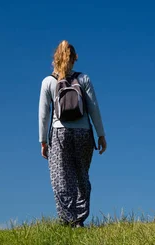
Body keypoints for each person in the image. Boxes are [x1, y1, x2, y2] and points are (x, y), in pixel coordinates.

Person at [38, 40, 107, 228]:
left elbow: (44, 115)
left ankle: (67, 219)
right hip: (83, 133)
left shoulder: (48, 82)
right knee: (81, 175)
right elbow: (94, 109)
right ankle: (79, 219)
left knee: (60, 177)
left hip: (59, 133)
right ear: (75, 58)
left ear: (54, 59)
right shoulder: (83, 79)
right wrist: (101, 135)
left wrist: (43, 141)